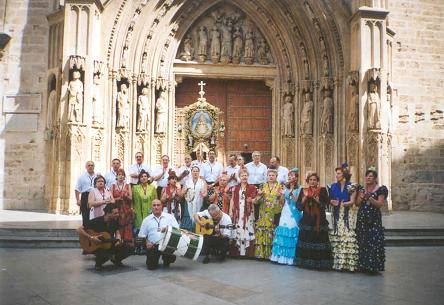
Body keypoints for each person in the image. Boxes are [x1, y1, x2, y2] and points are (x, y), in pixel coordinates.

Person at [295, 172, 332, 270]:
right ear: (308, 181)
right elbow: (299, 207)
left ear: (317, 181)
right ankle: (306, 263)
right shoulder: (304, 191)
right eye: (310, 180)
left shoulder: (323, 190)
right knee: (307, 239)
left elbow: (326, 205)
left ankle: (319, 264)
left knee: (319, 240)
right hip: (307, 219)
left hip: (319, 220)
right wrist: (304, 198)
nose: (312, 181)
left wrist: (317, 200)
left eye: (314, 180)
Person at [77, 204, 131, 270]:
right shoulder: (96, 221)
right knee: (106, 254)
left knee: (129, 248)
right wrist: (91, 238)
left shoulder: (114, 221)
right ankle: (98, 263)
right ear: (108, 213)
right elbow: (79, 229)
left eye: (118, 213)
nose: (118, 214)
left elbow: (117, 232)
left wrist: (118, 239)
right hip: (97, 247)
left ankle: (116, 260)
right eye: (115, 213)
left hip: (109, 244)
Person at [355, 167, 388, 273]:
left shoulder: (380, 189)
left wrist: (369, 197)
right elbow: (357, 204)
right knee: (363, 241)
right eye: (367, 176)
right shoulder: (362, 189)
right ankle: (364, 265)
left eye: (371, 176)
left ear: (375, 178)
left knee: (374, 241)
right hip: (362, 218)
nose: (368, 178)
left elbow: (379, 204)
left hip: (373, 219)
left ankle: (373, 266)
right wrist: (361, 196)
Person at [328, 164, 359, 271]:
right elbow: (330, 200)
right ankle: (338, 263)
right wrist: (332, 202)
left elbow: (352, 201)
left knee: (346, 234)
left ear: (344, 174)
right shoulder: (333, 186)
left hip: (347, 213)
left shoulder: (351, 186)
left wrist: (343, 204)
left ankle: (347, 263)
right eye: (336, 173)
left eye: (339, 173)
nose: (336, 175)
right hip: (336, 213)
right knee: (338, 234)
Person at [270, 168, 303, 265]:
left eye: (292, 176)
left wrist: (291, 193)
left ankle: (291, 258)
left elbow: (297, 201)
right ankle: (281, 257)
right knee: (283, 232)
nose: (290, 177)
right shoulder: (285, 188)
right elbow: (282, 202)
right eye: (289, 176)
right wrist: (280, 195)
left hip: (294, 212)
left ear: (296, 177)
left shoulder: (300, 188)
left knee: (292, 233)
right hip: (285, 211)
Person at [138, 199, 179, 270]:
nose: (156, 207)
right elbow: (141, 236)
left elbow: (178, 231)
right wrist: (146, 242)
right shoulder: (146, 220)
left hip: (166, 245)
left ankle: (167, 260)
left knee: (171, 257)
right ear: (151, 207)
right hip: (153, 246)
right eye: (154, 205)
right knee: (151, 266)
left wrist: (168, 229)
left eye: (158, 205)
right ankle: (154, 259)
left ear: (162, 206)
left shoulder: (170, 217)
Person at [253, 169, 284, 260]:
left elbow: (283, 202)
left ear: (276, 176)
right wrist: (259, 195)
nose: (271, 177)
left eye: (273, 175)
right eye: (269, 175)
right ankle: (261, 254)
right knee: (262, 231)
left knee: (271, 232)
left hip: (273, 213)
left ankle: (271, 255)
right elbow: (256, 202)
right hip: (263, 212)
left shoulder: (279, 187)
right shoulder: (263, 186)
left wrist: (280, 196)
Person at [229, 169, 257, 257]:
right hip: (238, 212)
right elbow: (232, 199)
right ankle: (239, 252)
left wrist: (252, 200)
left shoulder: (253, 188)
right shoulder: (235, 188)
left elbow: (257, 200)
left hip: (248, 213)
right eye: (242, 175)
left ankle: (248, 253)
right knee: (238, 228)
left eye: (245, 175)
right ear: (239, 177)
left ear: (248, 176)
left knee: (248, 229)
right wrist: (230, 211)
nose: (244, 177)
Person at [110, 168, 134, 248]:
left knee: (127, 226)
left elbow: (131, 198)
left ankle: (127, 244)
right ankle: (118, 243)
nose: (121, 176)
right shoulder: (113, 186)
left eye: (122, 175)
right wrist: (117, 199)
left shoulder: (128, 186)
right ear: (116, 176)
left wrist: (127, 196)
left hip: (126, 209)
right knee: (117, 226)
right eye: (119, 175)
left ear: (124, 177)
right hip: (116, 209)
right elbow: (110, 199)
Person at [181, 166, 207, 232]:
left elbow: (205, 193)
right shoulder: (187, 181)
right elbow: (182, 193)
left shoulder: (202, 182)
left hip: (199, 203)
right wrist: (184, 190)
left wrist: (203, 194)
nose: (195, 172)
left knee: (198, 219)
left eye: (197, 171)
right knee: (188, 220)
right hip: (189, 203)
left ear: (199, 172)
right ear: (191, 172)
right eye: (194, 171)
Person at [75, 161, 97, 225]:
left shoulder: (97, 176)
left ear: (94, 167)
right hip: (85, 196)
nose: (90, 167)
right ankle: (86, 232)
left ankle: (94, 232)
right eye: (89, 165)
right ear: (86, 167)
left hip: (95, 196)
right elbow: (77, 189)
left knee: (95, 215)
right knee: (85, 215)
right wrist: (78, 200)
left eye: (92, 165)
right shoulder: (82, 177)